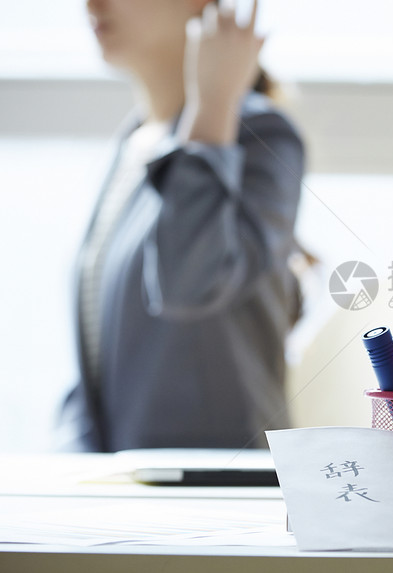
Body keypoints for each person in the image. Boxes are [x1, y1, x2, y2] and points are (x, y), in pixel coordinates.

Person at [58, 0, 304, 451]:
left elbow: (189, 284)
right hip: (126, 488)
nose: (91, 3)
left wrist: (213, 106)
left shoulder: (261, 133)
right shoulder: (132, 144)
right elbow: (100, 356)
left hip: (216, 490)